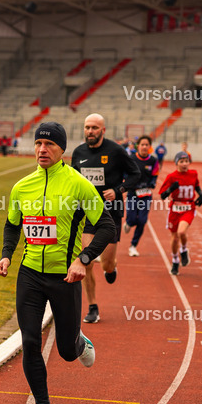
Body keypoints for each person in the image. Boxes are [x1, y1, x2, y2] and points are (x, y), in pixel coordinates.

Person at [0, 122, 112, 404]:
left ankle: (77, 340)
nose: (42, 150)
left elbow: (107, 227)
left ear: (62, 150)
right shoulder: (22, 186)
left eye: (49, 144)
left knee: (65, 352)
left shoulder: (78, 185)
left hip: (65, 277)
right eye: (38, 144)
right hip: (30, 274)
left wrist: (83, 259)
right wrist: (7, 253)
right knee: (30, 342)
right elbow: (12, 224)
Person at [70, 113, 139, 323]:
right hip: (89, 211)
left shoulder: (116, 151)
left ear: (103, 130)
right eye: (87, 127)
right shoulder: (79, 152)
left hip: (111, 212)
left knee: (106, 265)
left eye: (94, 128)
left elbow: (135, 174)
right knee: (87, 260)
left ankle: (112, 266)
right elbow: (73, 179)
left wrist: (118, 190)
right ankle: (92, 307)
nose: (90, 131)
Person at [158, 151, 202, 275]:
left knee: (181, 232)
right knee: (174, 238)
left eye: (186, 161)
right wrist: (171, 188)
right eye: (181, 161)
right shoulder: (172, 177)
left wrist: (201, 194)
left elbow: (197, 185)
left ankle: (183, 250)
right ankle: (175, 260)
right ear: (176, 163)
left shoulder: (193, 174)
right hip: (174, 209)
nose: (184, 164)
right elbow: (162, 195)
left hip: (188, 208)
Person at [125, 135, 159, 257]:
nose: (144, 147)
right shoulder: (131, 158)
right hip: (133, 193)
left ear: (150, 147)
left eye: (147, 145)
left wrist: (153, 182)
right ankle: (128, 222)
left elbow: (155, 174)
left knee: (142, 221)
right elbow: (125, 173)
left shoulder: (153, 160)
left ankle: (133, 245)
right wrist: (127, 182)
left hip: (146, 194)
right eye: (142, 144)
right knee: (133, 219)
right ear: (138, 146)